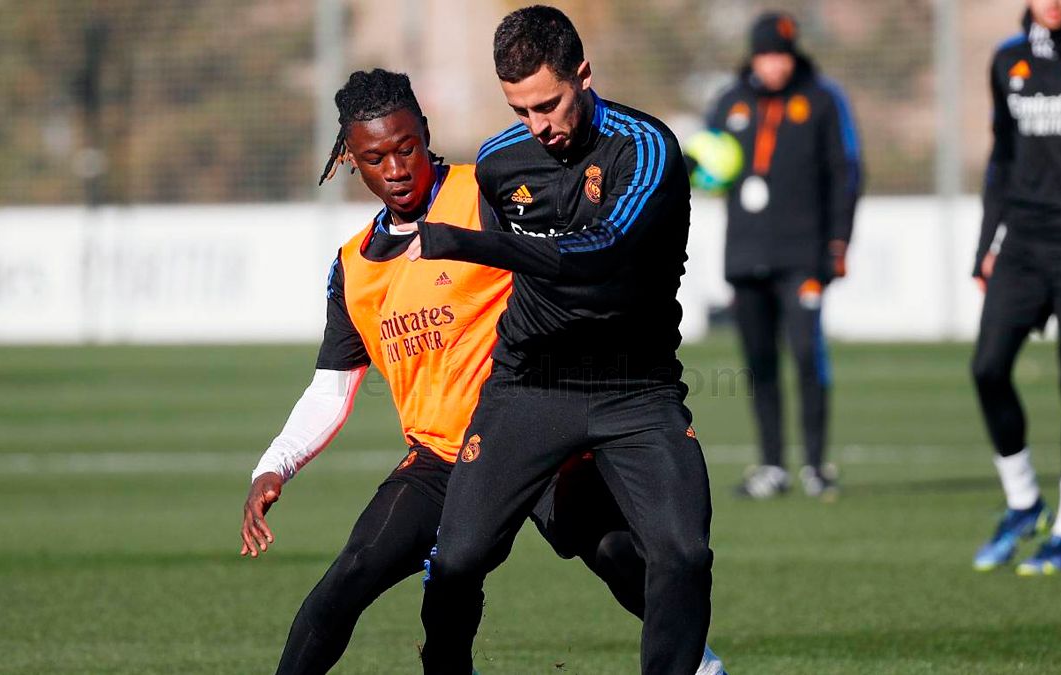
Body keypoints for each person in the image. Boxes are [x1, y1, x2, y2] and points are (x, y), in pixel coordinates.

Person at [239, 68, 729, 675]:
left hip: (537, 426)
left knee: (623, 556)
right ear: (348, 161)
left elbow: (574, 257)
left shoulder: (488, 191)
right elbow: (332, 386)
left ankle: (699, 664)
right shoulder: (353, 268)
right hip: (444, 454)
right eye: (375, 158)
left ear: (425, 133)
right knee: (353, 575)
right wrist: (274, 465)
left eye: (407, 148)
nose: (396, 169)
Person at [402, 7, 712, 674]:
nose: (537, 126)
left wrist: (461, 241)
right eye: (520, 110)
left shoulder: (645, 148)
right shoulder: (498, 162)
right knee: (455, 561)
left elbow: (601, 253)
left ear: (584, 75)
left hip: (637, 388)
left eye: (548, 104)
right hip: (530, 386)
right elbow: (511, 283)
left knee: (683, 554)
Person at [703, 11, 862, 501]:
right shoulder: (729, 102)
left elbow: (846, 172)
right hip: (746, 254)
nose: (776, 65)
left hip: (804, 254)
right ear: (754, 55)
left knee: (807, 355)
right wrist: (698, 170)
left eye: (783, 55)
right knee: (759, 363)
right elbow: (706, 166)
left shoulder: (822, 99)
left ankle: (815, 465)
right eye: (768, 55)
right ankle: (772, 466)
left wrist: (838, 243)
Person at [970, 0, 1061, 575]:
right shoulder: (1007, 61)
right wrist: (987, 245)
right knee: (988, 368)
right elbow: (1001, 159)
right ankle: (1024, 502)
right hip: (1024, 241)